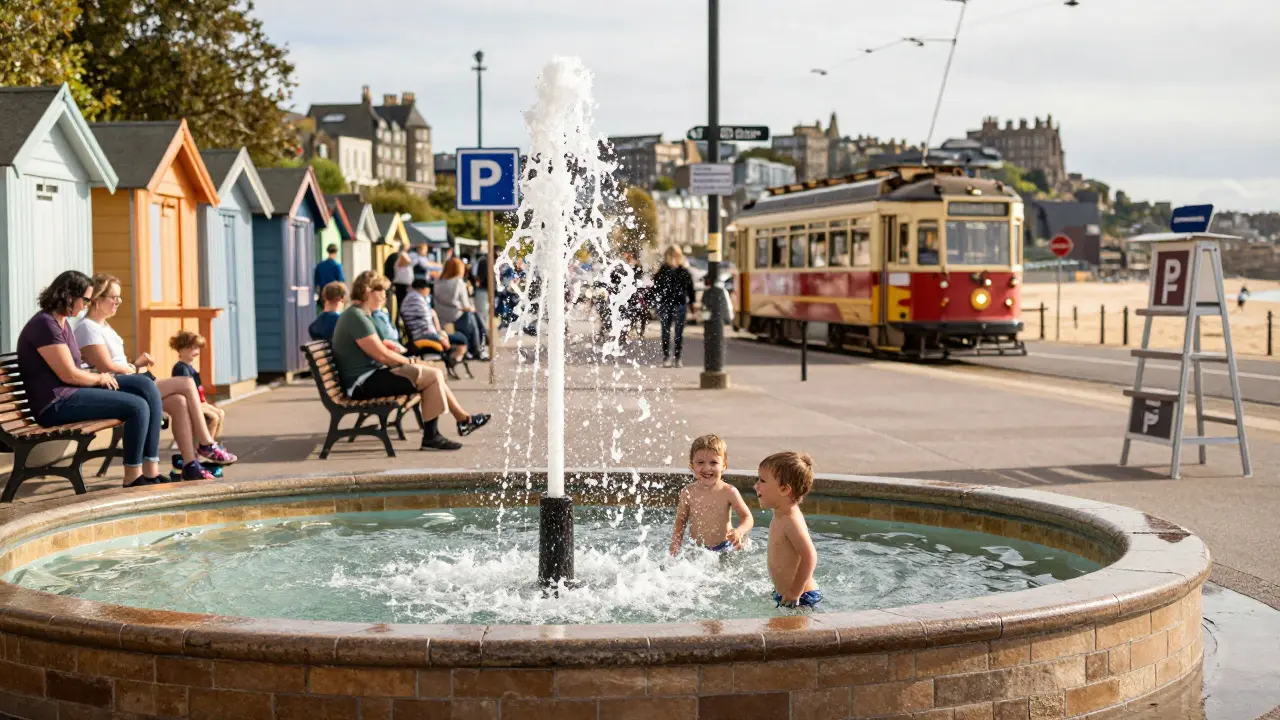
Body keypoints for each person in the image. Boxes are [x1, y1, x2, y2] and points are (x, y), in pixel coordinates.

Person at [74, 273, 232, 481]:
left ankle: (190, 464)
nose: (118, 302)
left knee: (179, 402)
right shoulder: (87, 328)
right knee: (185, 382)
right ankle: (205, 443)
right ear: (96, 299)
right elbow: (107, 366)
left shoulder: (103, 326)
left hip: (128, 383)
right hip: (111, 390)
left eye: (119, 297)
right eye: (113, 297)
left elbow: (117, 364)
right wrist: (135, 366)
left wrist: (133, 366)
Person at [18, 271, 166, 488]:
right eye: (85, 299)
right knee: (136, 407)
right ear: (69, 296)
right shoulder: (45, 325)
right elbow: (68, 374)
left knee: (144, 385)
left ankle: (150, 470)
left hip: (70, 393)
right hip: (55, 403)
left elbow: (73, 373)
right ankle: (133, 477)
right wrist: (99, 379)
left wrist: (100, 378)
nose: (87, 305)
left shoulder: (61, 323)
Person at [331, 271, 490, 451]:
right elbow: (381, 356)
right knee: (432, 375)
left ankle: (458, 422)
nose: (385, 295)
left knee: (432, 373)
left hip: (368, 376)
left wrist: (406, 360)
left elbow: (378, 350)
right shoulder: (356, 317)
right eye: (382, 290)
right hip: (361, 383)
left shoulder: (360, 315)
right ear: (368, 291)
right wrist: (409, 362)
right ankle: (438, 433)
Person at [754, 451, 820, 609]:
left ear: (784, 490)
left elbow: (810, 556)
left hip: (802, 598)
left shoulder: (791, 520)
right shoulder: (780, 515)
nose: (755, 485)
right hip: (786, 594)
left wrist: (794, 593)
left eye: (762, 481)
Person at [669, 435, 754, 555]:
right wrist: (674, 550)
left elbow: (748, 518)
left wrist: (739, 532)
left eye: (713, 462)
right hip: (697, 549)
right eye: (700, 462)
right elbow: (680, 524)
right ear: (691, 466)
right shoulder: (688, 492)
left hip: (724, 547)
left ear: (724, 466)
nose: (707, 468)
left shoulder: (729, 492)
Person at [170, 331, 227, 443]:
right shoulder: (181, 369)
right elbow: (185, 391)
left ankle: (212, 442)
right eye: (193, 348)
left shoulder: (190, 367)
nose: (196, 352)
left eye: (198, 348)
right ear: (181, 349)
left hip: (199, 402)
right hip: (191, 403)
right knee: (213, 418)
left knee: (220, 413)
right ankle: (205, 445)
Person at [401, 279, 468, 366]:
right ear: (424, 288)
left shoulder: (412, 298)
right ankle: (452, 360)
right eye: (429, 289)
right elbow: (424, 328)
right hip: (424, 336)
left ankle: (452, 359)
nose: (429, 291)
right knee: (462, 339)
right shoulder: (416, 301)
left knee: (457, 337)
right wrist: (439, 338)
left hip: (422, 334)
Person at [434, 258, 489, 360]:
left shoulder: (437, 282)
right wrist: (471, 309)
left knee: (473, 316)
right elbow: (465, 305)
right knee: (473, 315)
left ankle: (477, 348)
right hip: (456, 316)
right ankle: (478, 348)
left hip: (441, 316)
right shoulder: (458, 282)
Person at [653, 246, 697, 368]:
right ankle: (667, 357)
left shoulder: (683, 271)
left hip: (679, 304)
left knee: (678, 333)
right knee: (666, 332)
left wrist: (692, 302)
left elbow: (690, 288)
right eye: (671, 255)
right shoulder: (663, 270)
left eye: (675, 255)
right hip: (667, 304)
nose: (673, 258)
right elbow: (656, 288)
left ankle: (676, 358)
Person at [313, 244, 345, 311]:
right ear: (336, 253)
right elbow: (341, 282)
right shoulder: (337, 266)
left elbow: (316, 283)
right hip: (334, 296)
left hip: (323, 295)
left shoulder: (320, 266)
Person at [471, 252, 491, 323]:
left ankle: (483, 328)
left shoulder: (482, 262)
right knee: (483, 311)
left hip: (482, 289)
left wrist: (478, 282)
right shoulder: (484, 261)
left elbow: (478, 276)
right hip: (483, 289)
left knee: (481, 311)